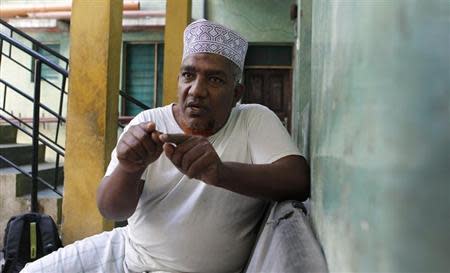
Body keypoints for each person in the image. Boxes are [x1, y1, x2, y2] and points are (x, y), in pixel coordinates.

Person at [21, 19, 310, 273]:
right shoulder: (149, 123)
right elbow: (110, 209)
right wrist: (129, 168)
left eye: (214, 79)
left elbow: (298, 181)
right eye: (188, 75)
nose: (196, 90)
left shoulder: (252, 121)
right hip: (127, 254)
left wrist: (220, 173)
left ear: (236, 93)